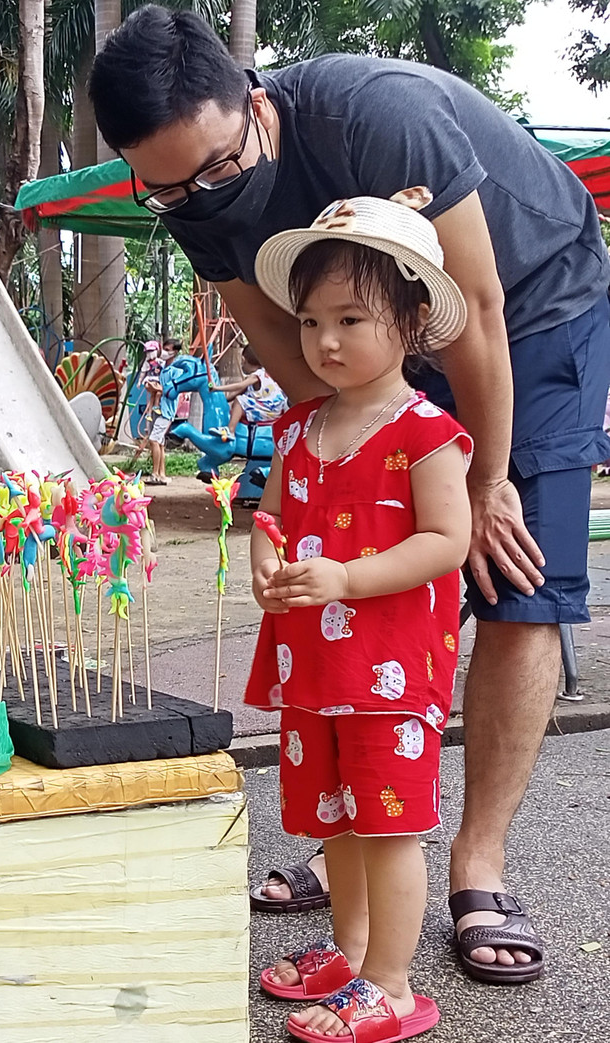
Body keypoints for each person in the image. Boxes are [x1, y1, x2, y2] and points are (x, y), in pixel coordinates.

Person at [90, 5, 610, 981]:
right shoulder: (190, 200)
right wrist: (317, 488)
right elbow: (299, 370)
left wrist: (483, 477)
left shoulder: (374, 118)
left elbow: (478, 316)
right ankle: (369, 833)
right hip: (371, 342)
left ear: (255, 107)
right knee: (363, 582)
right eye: (168, 190)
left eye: (216, 170)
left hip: (533, 306)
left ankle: (477, 862)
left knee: (512, 577)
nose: (200, 199)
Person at [245, 192, 471, 1041]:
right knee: (330, 819)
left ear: (412, 321)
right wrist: (269, 568)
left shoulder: (427, 432)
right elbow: (267, 518)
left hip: (390, 672)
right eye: (309, 321)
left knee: (388, 826)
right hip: (313, 670)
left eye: (350, 317)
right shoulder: (299, 426)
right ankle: (350, 946)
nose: (325, 340)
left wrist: (345, 575)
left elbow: (448, 541)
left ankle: (394, 983)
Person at [211, 342, 289, 442]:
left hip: (270, 408)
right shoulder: (265, 373)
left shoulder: (257, 375)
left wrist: (217, 388)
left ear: (243, 360)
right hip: (275, 408)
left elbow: (240, 386)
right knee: (238, 402)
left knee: (240, 401)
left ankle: (230, 430)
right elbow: (235, 394)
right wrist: (221, 400)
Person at [141, 336, 184, 484]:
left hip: (166, 411)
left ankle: (155, 474)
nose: (164, 353)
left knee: (153, 440)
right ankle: (161, 474)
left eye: (167, 350)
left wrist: (158, 388)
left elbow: (174, 391)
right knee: (159, 442)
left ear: (175, 352)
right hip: (158, 409)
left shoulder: (176, 371)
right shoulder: (162, 368)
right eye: (163, 349)